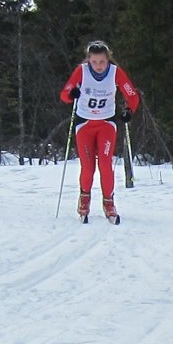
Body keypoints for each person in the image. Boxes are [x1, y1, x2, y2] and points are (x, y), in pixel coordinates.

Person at [60, 40, 141, 223]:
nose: (98, 66)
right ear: (89, 60)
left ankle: (109, 203)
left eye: (102, 62)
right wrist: (71, 94)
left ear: (108, 60)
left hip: (106, 123)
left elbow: (132, 94)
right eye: (94, 62)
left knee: (105, 164)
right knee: (88, 166)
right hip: (85, 124)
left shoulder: (115, 72)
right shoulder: (81, 71)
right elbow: (65, 93)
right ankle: (84, 200)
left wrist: (129, 110)